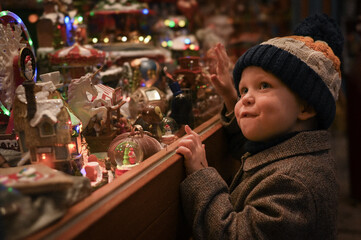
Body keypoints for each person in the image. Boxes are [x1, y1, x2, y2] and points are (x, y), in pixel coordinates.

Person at [176, 13, 343, 239]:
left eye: (263, 86)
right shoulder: (290, 147)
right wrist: (229, 96)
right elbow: (249, 149)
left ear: (306, 108)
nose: (245, 98)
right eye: (244, 90)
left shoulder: (294, 185)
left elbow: (233, 235)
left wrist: (201, 176)